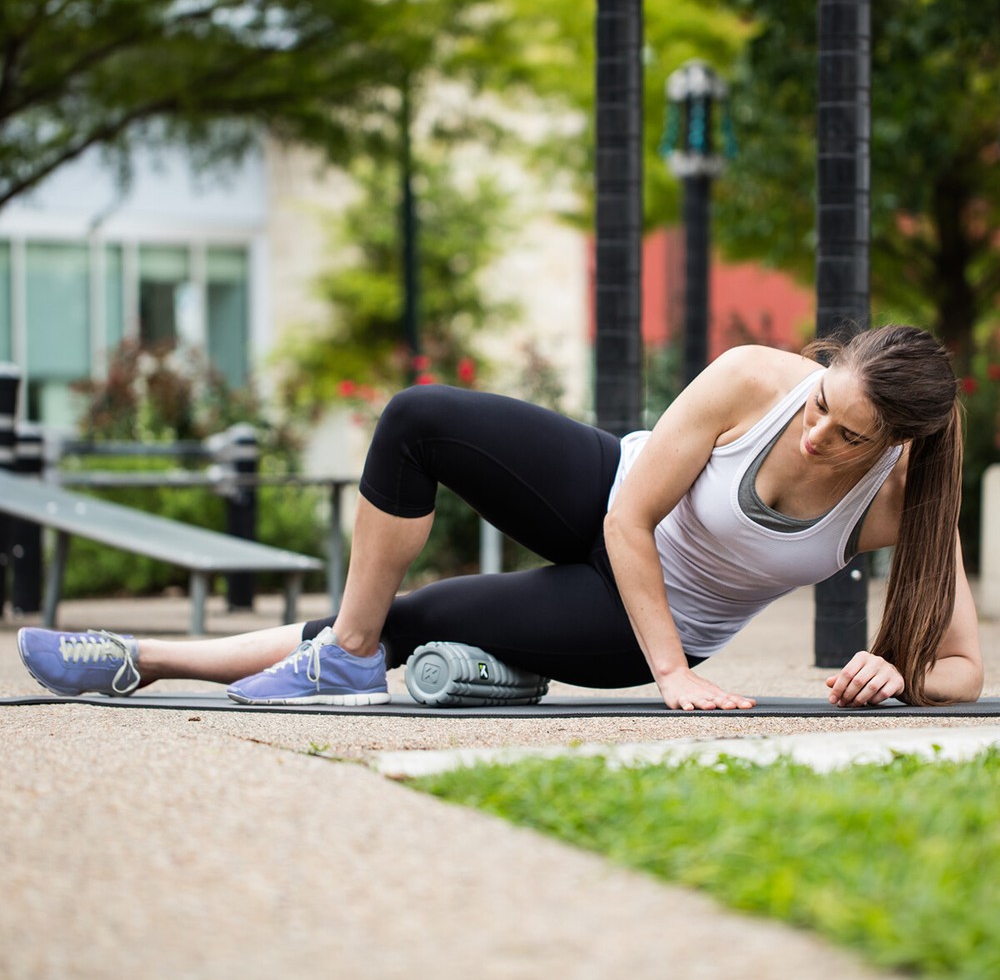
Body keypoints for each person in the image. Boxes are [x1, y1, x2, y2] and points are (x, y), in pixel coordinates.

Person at [17, 324, 984, 711]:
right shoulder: (755, 378)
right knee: (418, 417)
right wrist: (675, 679)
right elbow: (628, 518)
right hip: (613, 493)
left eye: (849, 435)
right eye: (821, 403)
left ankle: (138, 659)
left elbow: (964, 671)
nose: (817, 432)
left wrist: (899, 672)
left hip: (636, 620)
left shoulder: (908, 505)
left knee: (425, 617)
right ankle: (345, 651)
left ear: (898, 443)